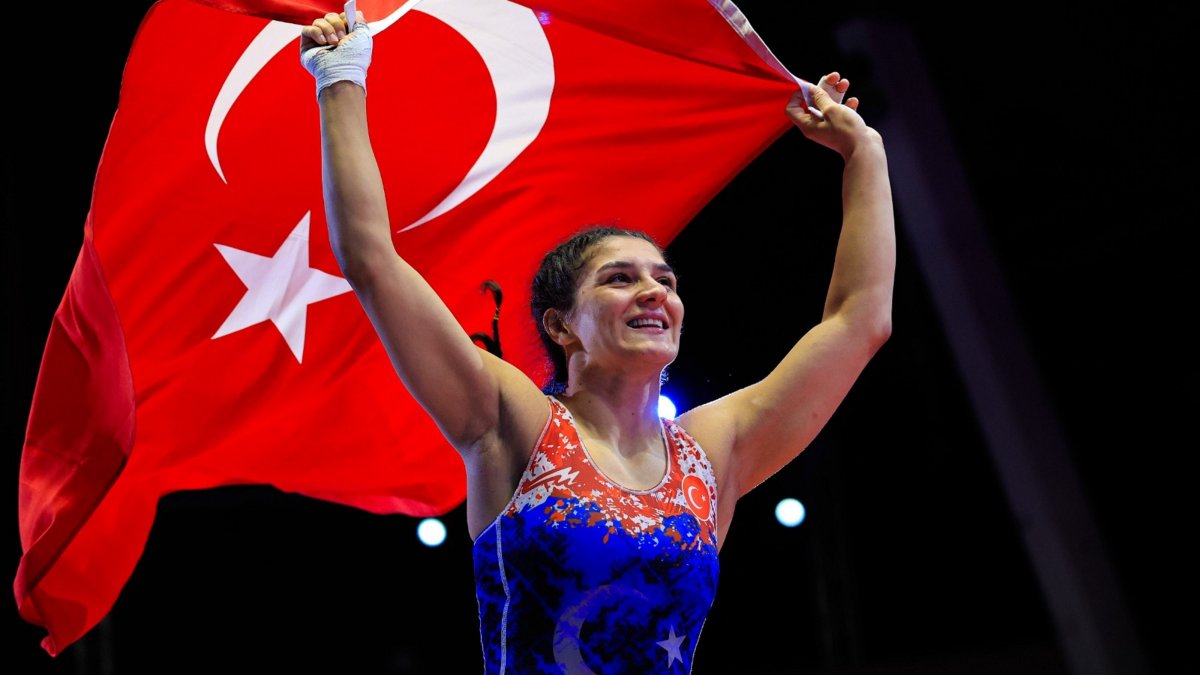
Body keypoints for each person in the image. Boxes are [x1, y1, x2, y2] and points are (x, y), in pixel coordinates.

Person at [300, 8, 893, 673]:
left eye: (664, 280)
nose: (654, 293)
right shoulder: (513, 422)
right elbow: (374, 263)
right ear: (560, 324)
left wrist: (863, 153)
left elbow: (857, 322)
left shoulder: (711, 455)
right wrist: (340, 79)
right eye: (620, 278)